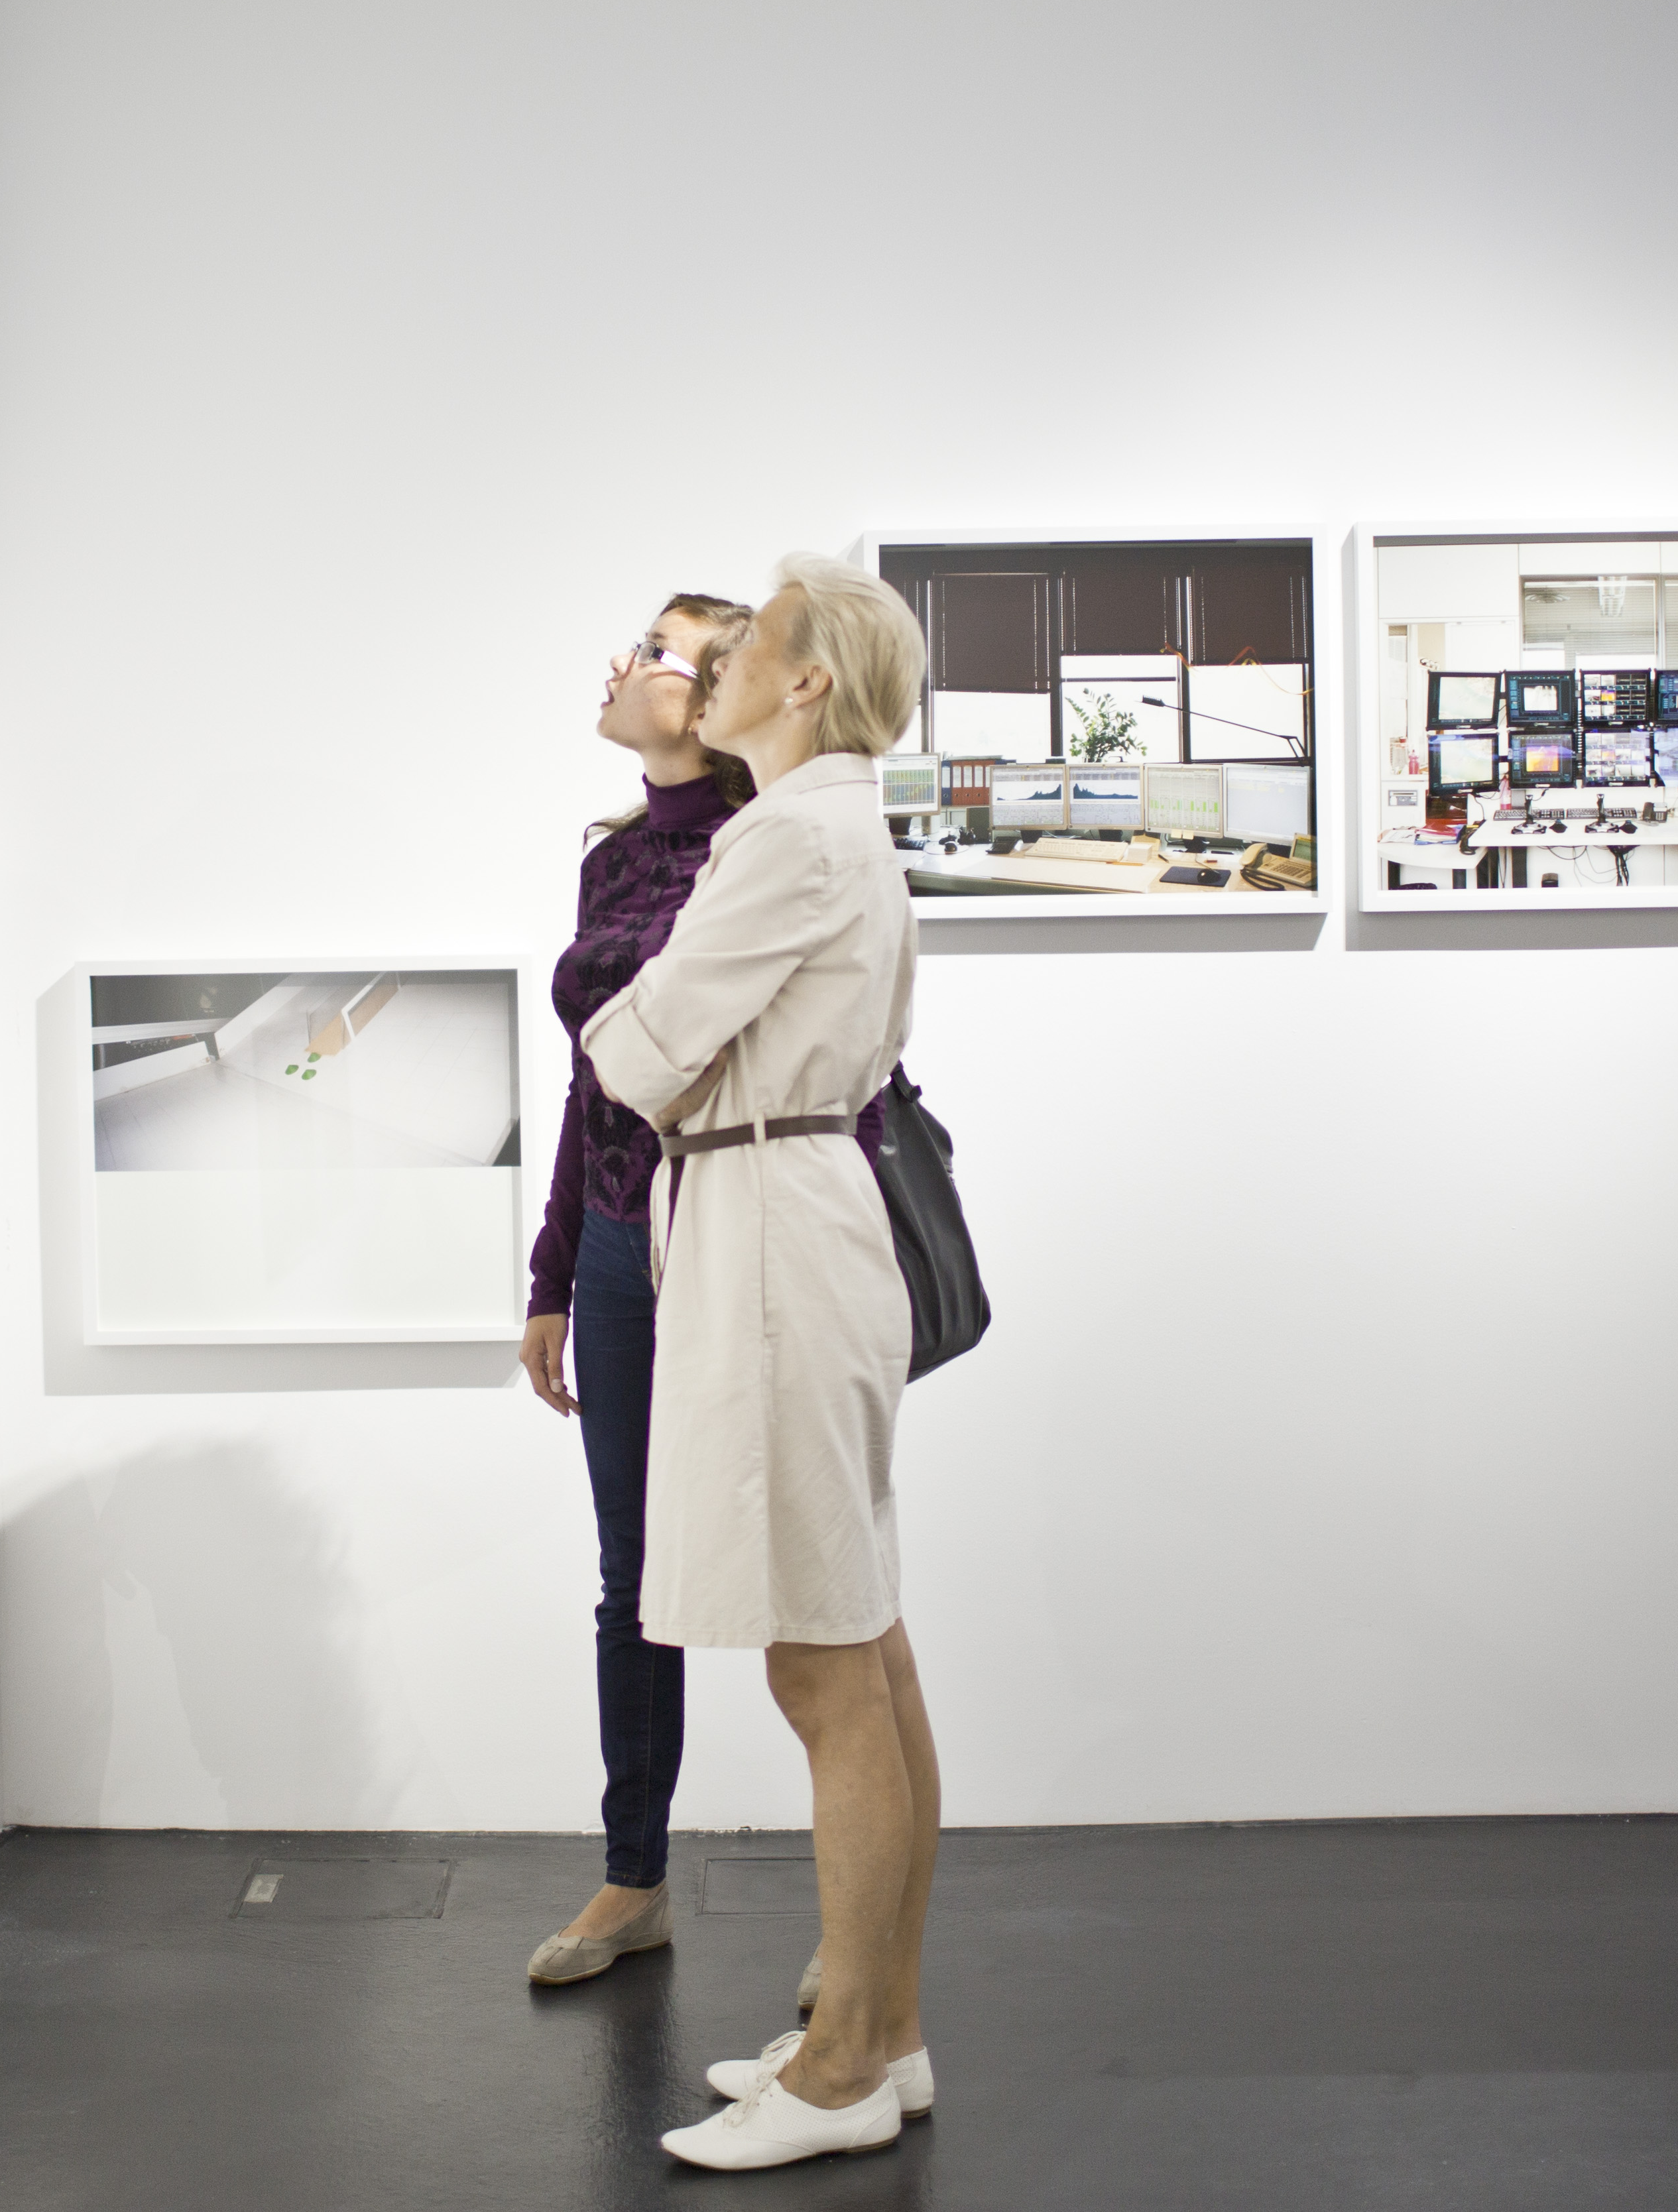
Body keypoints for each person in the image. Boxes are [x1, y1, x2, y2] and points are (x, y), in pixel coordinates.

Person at [580, 555, 937, 2172]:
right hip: (793, 1213)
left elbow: (639, 1047)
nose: (710, 669)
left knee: (822, 1664)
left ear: (807, 682)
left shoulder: (788, 834)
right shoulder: (831, 824)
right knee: (866, 1647)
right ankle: (883, 2030)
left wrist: (633, 1025)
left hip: (777, 1235)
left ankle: (845, 2065)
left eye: (746, 649)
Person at [515, 591, 768, 1985]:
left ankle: (859, 1916)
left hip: (731, 1233)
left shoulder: (766, 847)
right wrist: (553, 1272)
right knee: (634, 1575)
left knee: (797, 1575)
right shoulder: (614, 862)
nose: (621, 664)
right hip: (620, 1244)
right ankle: (634, 1878)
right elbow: (589, 1083)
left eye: (655, 650)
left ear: (713, 698)